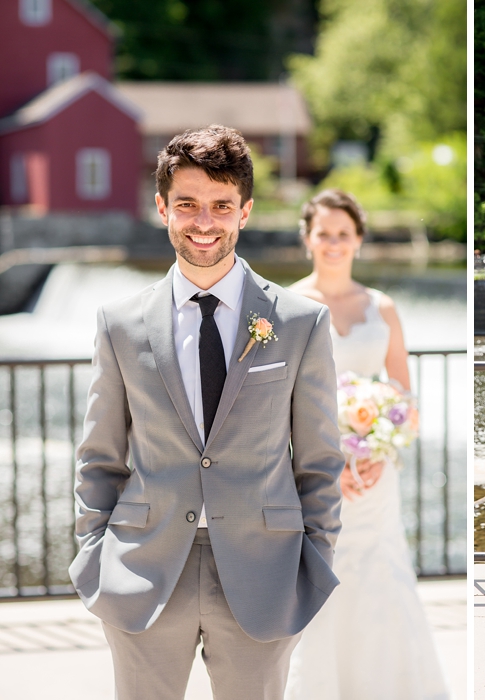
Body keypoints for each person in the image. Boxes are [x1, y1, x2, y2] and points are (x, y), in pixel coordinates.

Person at [69, 125, 345, 699]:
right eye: (187, 205)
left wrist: (313, 560)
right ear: (161, 208)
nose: (204, 222)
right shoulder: (118, 323)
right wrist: (94, 555)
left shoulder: (300, 322)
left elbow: (318, 461)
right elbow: (99, 457)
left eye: (221, 206)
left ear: (244, 211)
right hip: (142, 573)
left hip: (264, 574)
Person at [286, 189, 449, 700]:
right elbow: (272, 401)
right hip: (310, 473)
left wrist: (381, 448)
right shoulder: (282, 305)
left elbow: (403, 393)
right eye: (324, 234)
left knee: (380, 571)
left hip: (377, 474)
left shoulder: (383, 306)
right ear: (308, 239)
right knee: (319, 574)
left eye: (343, 233)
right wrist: (324, 463)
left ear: (358, 239)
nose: (333, 243)